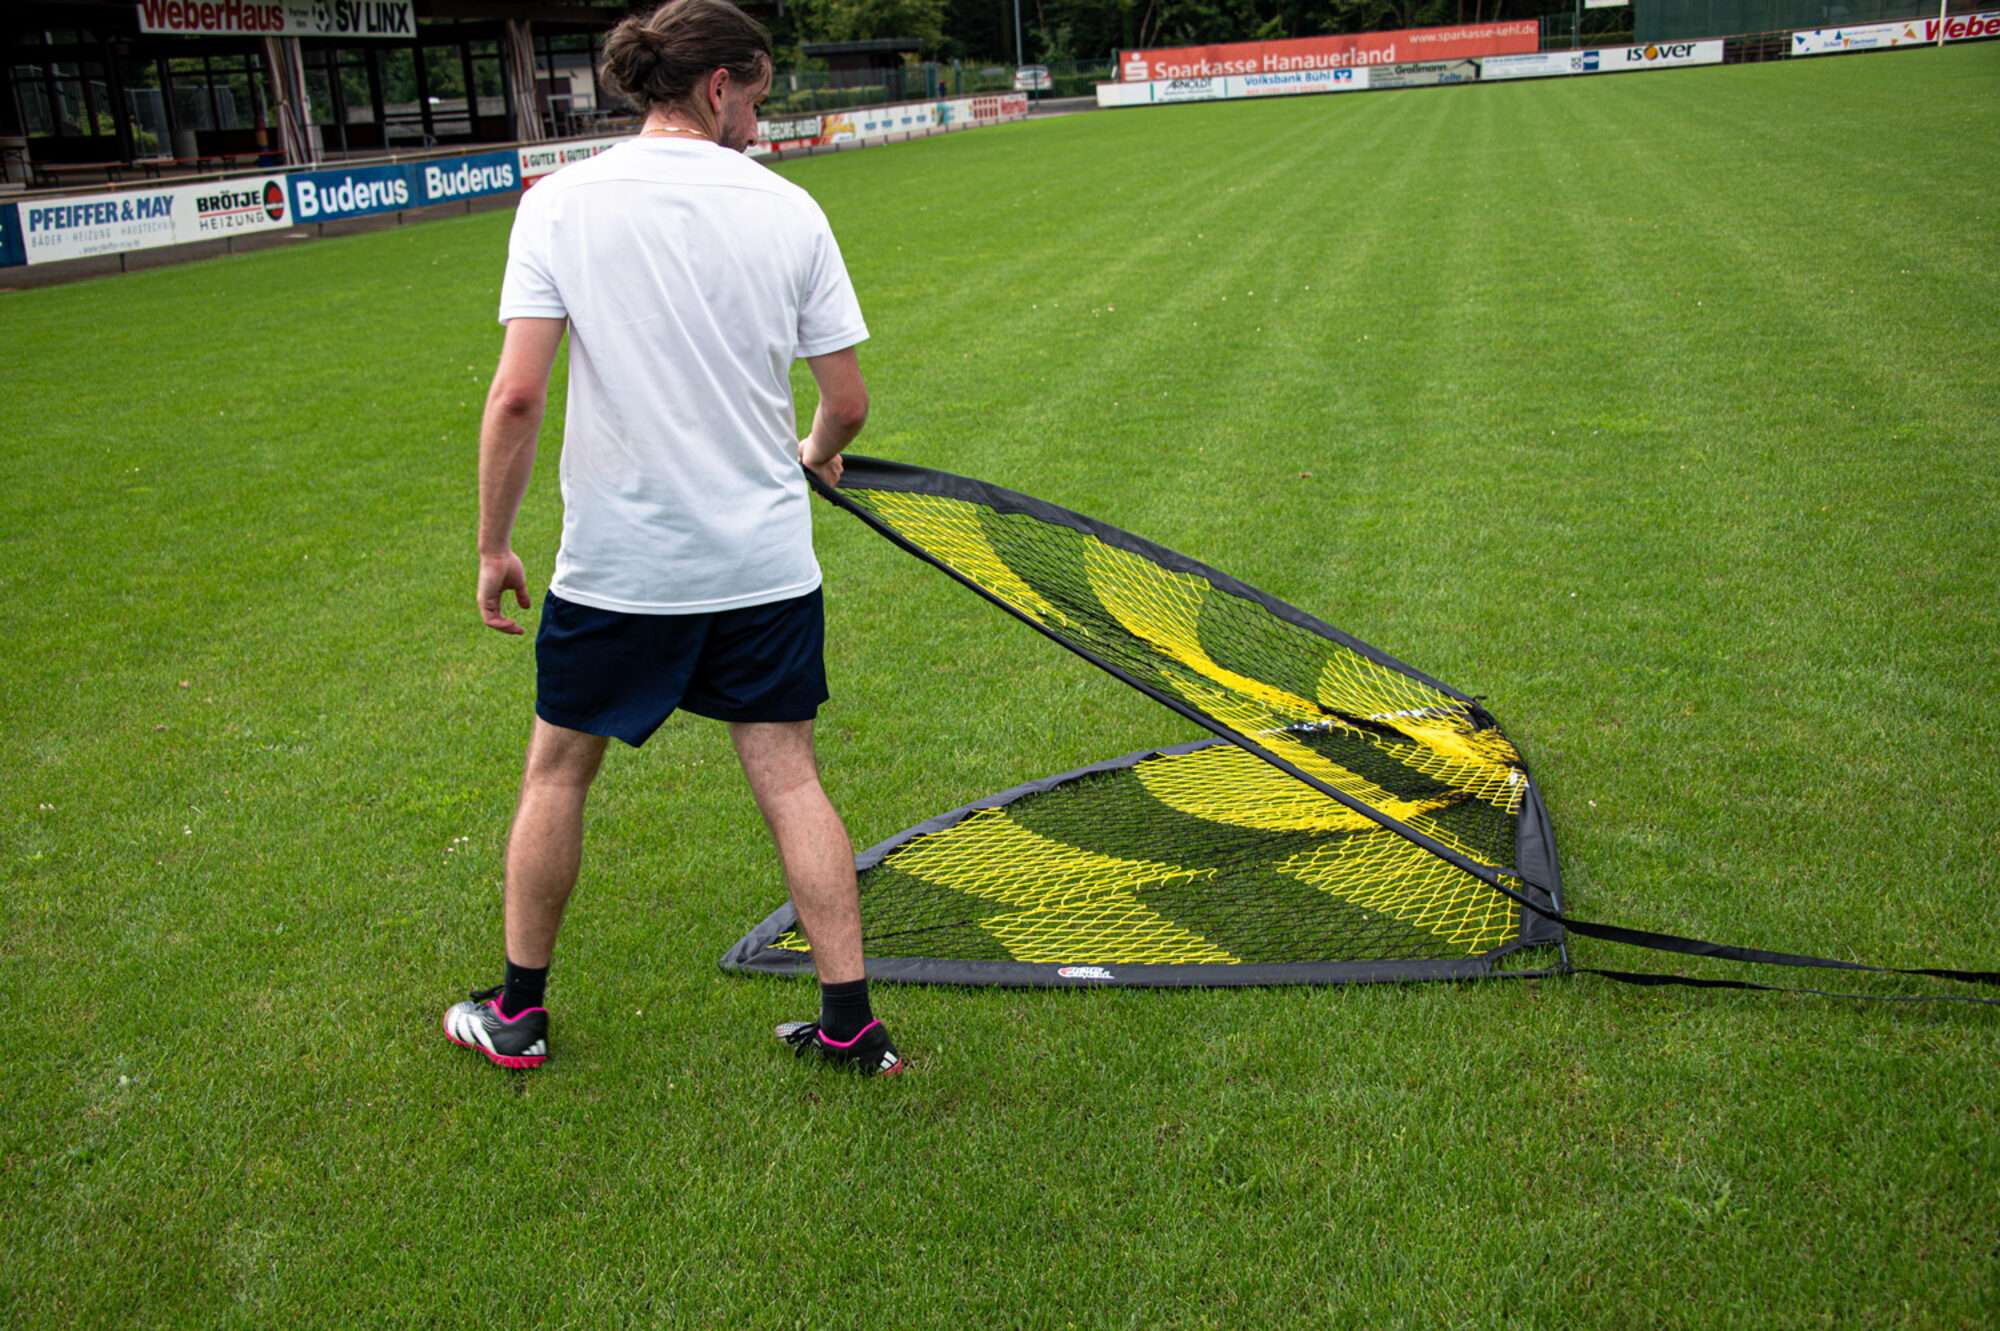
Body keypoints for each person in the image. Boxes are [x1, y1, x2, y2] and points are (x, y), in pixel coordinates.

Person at [441, 0, 901, 1076]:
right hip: (760, 561)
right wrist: (816, 450)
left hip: (622, 563)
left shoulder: (560, 204)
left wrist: (492, 544)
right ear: (716, 87)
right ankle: (849, 1024)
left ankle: (518, 1012)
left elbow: (515, 399)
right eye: (758, 97)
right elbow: (845, 400)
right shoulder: (788, 210)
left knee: (557, 771)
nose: (762, 120)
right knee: (789, 774)